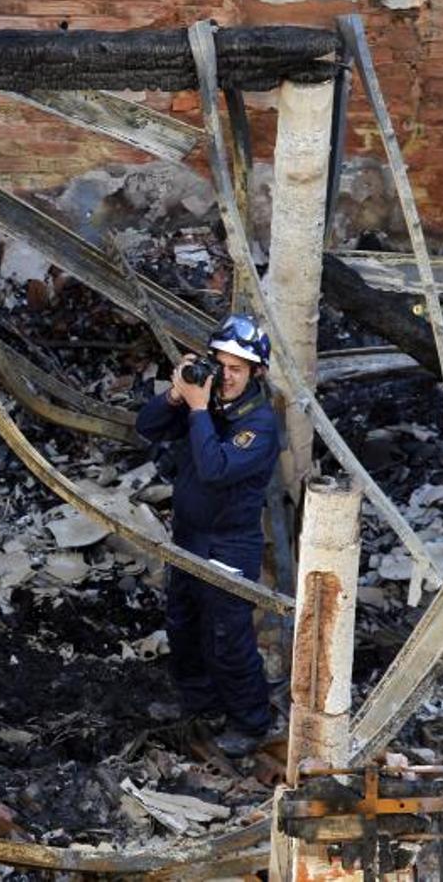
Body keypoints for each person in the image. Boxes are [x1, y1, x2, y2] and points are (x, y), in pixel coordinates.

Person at [134, 314, 280, 757]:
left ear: (256, 372)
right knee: (184, 625)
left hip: (230, 545)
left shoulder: (260, 424)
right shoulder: (208, 403)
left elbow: (216, 470)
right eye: (222, 365)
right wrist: (178, 395)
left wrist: (197, 409)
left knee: (227, 640)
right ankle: (201, 706)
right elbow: (147, 427)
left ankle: (251, 722)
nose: (227, 376)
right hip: (189, 537)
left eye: (238, 368)